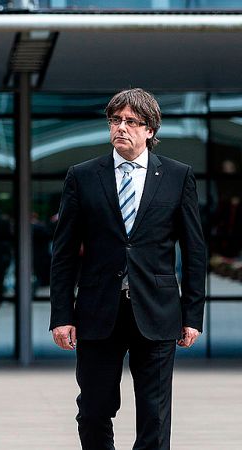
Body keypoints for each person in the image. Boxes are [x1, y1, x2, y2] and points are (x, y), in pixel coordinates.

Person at [50, 88, 206, 449]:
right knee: (93, 409)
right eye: (115, 121)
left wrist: (193, 315)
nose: (121, 128)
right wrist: (61, 315)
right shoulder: (83, 176)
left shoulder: (177, 176)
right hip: (97, 311)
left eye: (131, 122)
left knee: (154, 414)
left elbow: (194, 250)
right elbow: (65, 253)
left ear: (150, 129)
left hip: (157, 311)